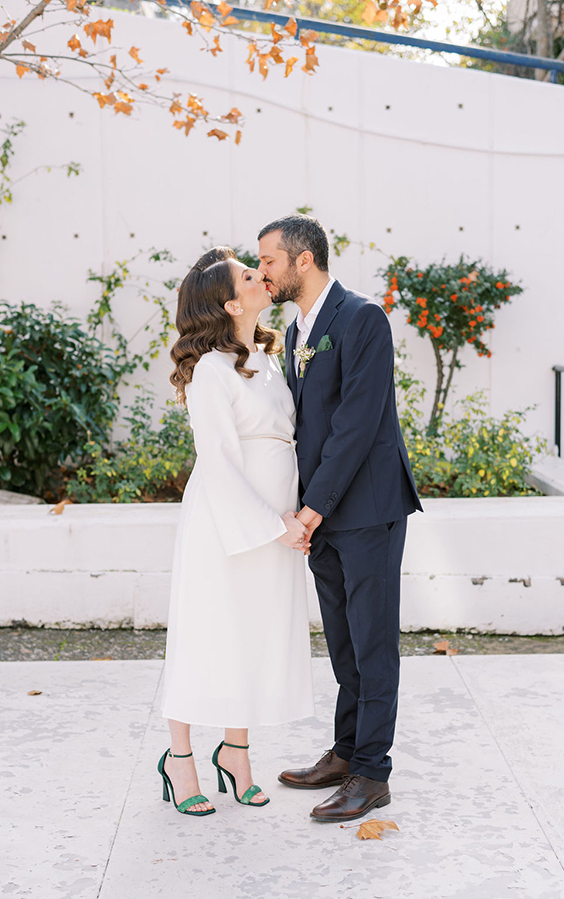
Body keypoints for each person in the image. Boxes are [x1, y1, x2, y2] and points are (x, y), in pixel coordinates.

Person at [258, 215, 423, 824]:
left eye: (269, 261)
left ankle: (372, 774)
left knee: (373, 642)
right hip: (322, 517)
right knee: (343, 642)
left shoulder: (362, 318)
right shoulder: (299, 327)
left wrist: (310, 509)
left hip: (368, 510)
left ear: (303, 261)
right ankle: (346, 750)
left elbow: (355, 425)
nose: (263, 273)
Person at [159, 247, 314, 817]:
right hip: (226, 522)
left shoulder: (271, 360)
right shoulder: (208, 373)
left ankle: (237, 753)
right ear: (231, 301)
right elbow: (218, 462)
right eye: (250, 275)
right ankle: (180, 761)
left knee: (252, 635)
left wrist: (296, 517)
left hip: (277, 523)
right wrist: (274, 525)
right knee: (206, 634)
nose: (263, 276)